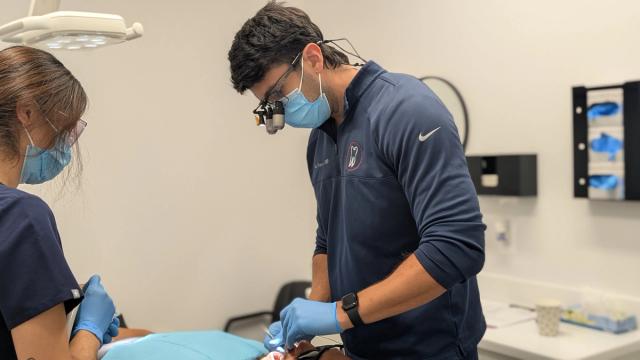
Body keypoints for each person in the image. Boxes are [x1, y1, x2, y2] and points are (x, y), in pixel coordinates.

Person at [228, 2, 486, 359]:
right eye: (268, 105)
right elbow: (328, 238)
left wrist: (338, 313)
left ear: (314, 59)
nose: (280, 113)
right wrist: (314, 308)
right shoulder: (320, 139)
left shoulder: (406, 109)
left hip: (429, 350)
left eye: (278, 95)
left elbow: (457, 246)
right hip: (361, 347)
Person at [0, 46, 119, 360]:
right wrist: (88, 333)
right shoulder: (20, 216)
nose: (66, 143)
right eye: (66, 127)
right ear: (26, 113)